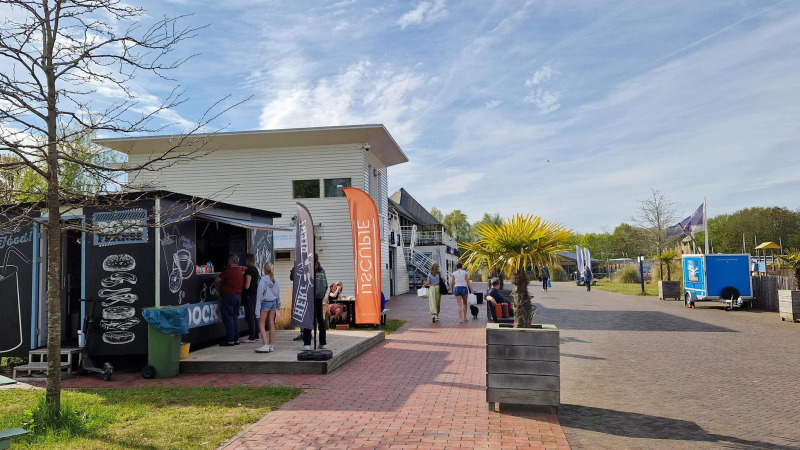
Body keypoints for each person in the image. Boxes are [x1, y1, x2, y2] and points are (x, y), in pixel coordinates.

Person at [215, 255, 245, 346]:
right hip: (238, 297)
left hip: (228, 297)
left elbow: (216, 280)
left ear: (230, 262)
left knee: (228, 318)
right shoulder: (240, 271)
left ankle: (230, 340)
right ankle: (236, 338)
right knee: (235, 317)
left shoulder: (228, 272)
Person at [302, 253, 328, 350]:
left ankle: (307, 344)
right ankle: (323, 342)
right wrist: (322, 295)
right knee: (320, 319)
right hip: (319, 297)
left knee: (308, 319)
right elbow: (326, 285)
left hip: (309, 296)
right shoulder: (322, 271)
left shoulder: (308, 270)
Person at [255, 262, 280, 353]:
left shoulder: (263, 280)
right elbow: (278, 294)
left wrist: (257, 310)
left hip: (265, 302)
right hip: (273, 302)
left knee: (261, 324)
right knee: (271, 323)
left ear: (264, 270)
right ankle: (271, 345)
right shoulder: (276, 280)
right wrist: (278, 306)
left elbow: (259, 296)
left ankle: (265, 345)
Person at [240, 253, 260, 343]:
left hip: (249, 295)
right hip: (254, 294)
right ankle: (256, 335)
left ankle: (251, 336)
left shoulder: (249, 271)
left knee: (250, 315)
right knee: (254, 315)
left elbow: (247, 286)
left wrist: (241, 284)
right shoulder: (255, 269)